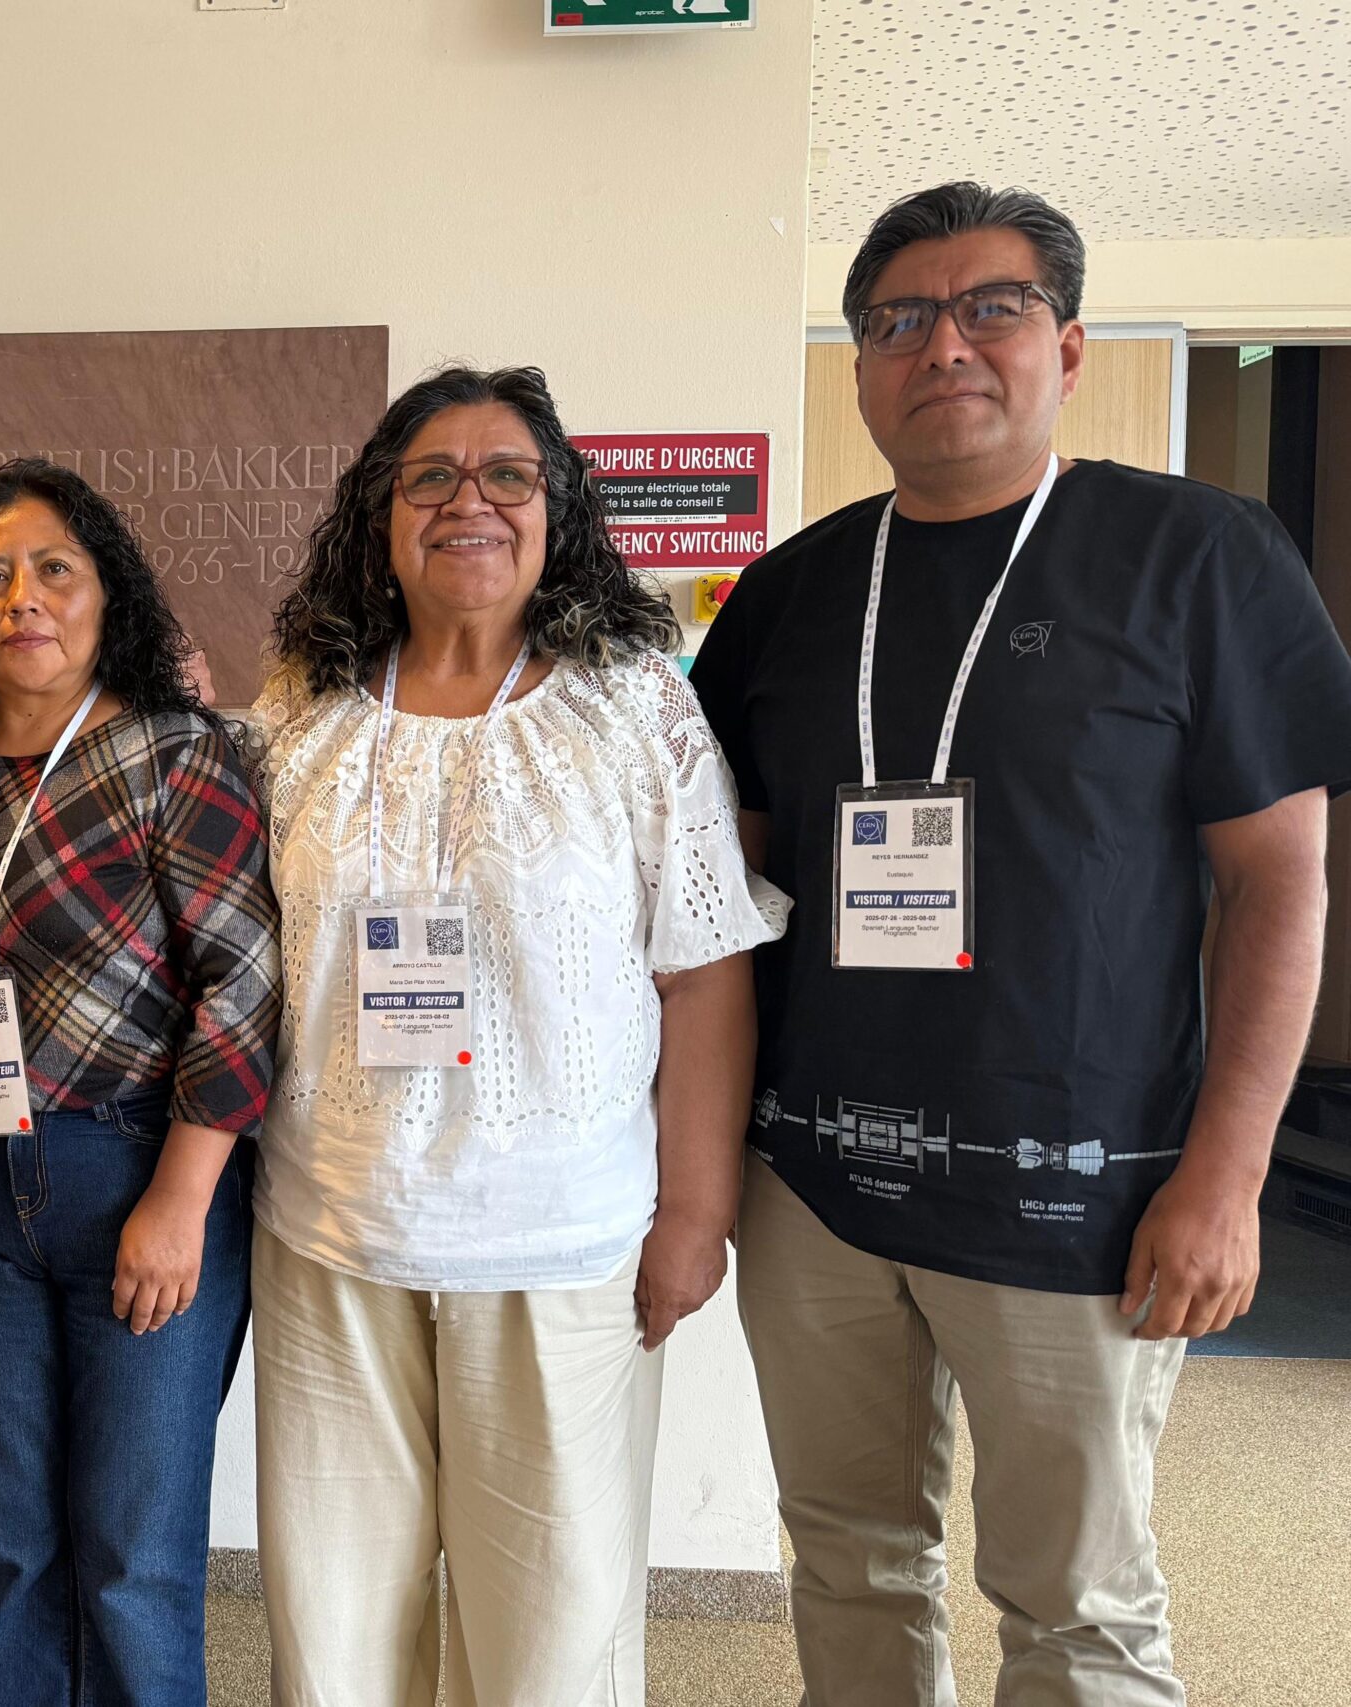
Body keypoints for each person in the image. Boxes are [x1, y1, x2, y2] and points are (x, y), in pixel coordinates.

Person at [688, 183, 1351, 1706]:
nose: (944, 346)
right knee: (848, 1555)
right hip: (817, 1185)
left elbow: (1278, 887)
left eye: (992, 307)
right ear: (862, 367)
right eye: (898, 320)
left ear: (1067, 348)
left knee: (1076, 1603)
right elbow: (721, 894)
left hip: (1081, 1190)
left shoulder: (1197, 556)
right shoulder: (789, 593)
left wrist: (1227, 1179)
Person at [249, 367, 780, 1707]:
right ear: (381, 513)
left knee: (550, 1649)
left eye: (506, 476)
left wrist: (696, 1214)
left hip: (564, 1247)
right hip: (330, 1238)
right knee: (334, 1643)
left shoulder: (633, 706)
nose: (466, 503)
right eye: (429, 477)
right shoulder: (300, 709)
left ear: (558, 510)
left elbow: (705, 972)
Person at [0, 459, 281, 1706]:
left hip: (140, 1170)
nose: (24, 600)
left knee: (130, 1556)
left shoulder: (175, 755)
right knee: (15, 1544)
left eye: (55, 569)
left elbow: (242, 986)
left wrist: (179, 1200)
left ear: (110, 596)